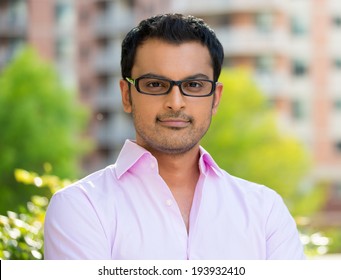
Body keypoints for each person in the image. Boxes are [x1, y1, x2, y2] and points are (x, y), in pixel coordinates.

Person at [44, 13, 305, 260]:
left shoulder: (265, 210)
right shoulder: (80, 207)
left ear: (215, 98)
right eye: (155, 84)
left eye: (194, 85)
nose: (176, 103)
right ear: (127, 95)